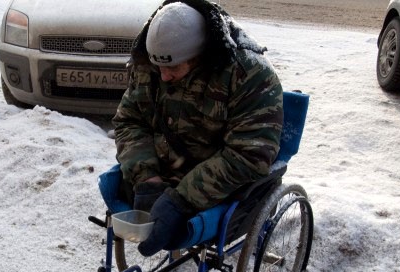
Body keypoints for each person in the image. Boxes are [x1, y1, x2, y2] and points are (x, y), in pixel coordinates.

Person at [113, 0, 283, 257]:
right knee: (114, 186)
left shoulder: (250, 74)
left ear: (199, 56)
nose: (164, 76)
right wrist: (147, 178)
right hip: (163, 170)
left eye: (173, 68)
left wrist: (180, 200)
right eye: (159, 66)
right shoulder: (151, 62)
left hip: (217, 184)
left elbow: (249, 155)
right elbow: (129, 120)